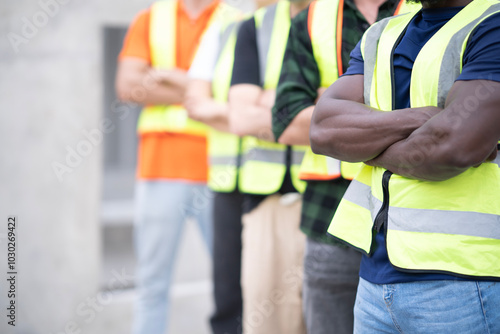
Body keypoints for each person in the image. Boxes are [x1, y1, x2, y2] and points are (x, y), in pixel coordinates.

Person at [310, 0, 500, 332]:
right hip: (375, 276)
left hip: (465, 280)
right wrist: (423, 118)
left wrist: (367, 148)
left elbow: (451, 147)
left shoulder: (492, 25)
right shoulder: (382, 33)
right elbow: (324, 129)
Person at [271, 0, 417, 332]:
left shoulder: (431, 10)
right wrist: (397, 109)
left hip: (413, 218)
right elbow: (288, 120)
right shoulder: (311, 19)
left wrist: (337, 109)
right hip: (330, 221)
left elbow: (446, 113)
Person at [115, 0, 228, 332]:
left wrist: (170, 77)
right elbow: (128, 85)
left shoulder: (235, 20)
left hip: (220, 170)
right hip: (160, 167)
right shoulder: (150, 18)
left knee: (231, 284)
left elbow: (236, 91)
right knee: (151, 283)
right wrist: (200, 86)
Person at [184, 1, 275, 332]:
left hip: (277, 185)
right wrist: (246, 112)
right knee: (226, 298)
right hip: (227, 183)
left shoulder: (304, 19)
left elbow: (304, 105)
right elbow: (194, 103)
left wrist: (231, 111)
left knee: (273, 298)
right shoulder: (224, 25)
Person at [227, 0, 312, 333]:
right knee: (267, 321)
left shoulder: (342, 20)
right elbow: (241, 117)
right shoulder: (255, 27)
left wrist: (267, 98)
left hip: (335, 197)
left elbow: (353, 110)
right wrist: (309, 106)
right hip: (268, 200)